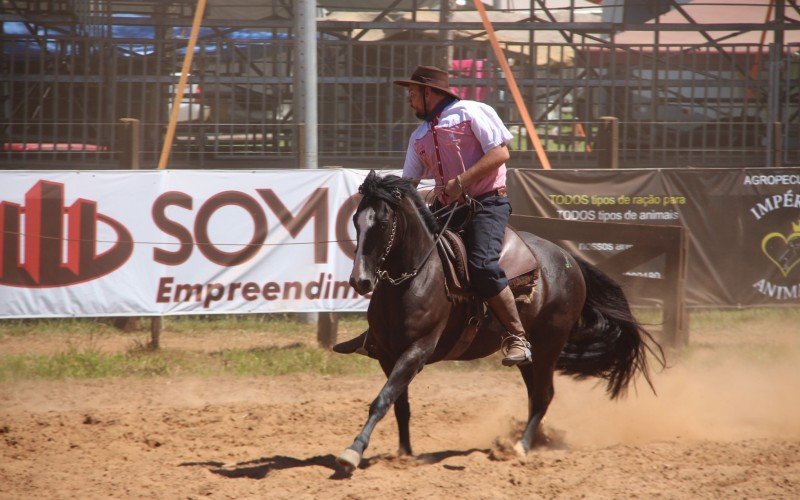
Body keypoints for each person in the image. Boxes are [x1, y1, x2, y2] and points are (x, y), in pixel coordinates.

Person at [334, 65, 531, 366]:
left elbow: (501, 153)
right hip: (446, 209)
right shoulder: (419, 135)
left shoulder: (472, 111)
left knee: (482, 264)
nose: (409, 99)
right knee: (404, 257)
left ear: (429, 92)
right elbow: (409, 183)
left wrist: (460, 182)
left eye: (412, 93)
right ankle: (378, 333)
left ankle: (517, 336)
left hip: (487, 205)